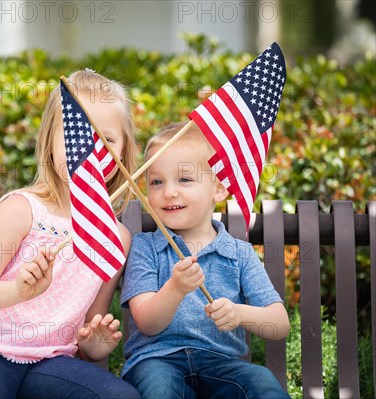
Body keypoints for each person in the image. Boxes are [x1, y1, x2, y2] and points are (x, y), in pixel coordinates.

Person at [0, 70, 141, 399]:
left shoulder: (114, 237)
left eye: (106, 139)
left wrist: (93, 345)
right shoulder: (22, 209)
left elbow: (88, 325)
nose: (90, 149)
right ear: (50, 141)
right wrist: (18, 291)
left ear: (123, 152)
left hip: (51, 360)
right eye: (76, 135)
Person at [120, 122, 291, 399]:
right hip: (157, 361)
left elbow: (279, 323)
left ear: (220, 189)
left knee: (261, 381)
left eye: (184, 179)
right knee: (161, 391)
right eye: (156, 182)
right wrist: (176, 288)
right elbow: (147, 323)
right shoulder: (145, 247)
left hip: (221, 364)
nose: (169, 192)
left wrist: (240, 313)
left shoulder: (239, 252)